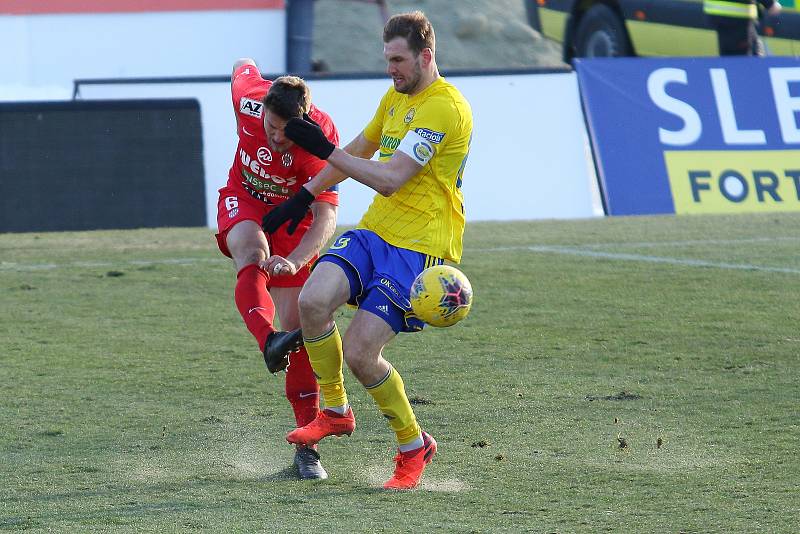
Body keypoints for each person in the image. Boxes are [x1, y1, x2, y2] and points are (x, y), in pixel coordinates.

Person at [261, 11, 473, 490]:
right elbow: (358, 147)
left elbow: (391, 178)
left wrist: (325, 150)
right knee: (313, 302)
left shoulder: (444, 108)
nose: (391, 69)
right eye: (387, 60)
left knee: (361, 351)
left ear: (426, 55)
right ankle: (335, 410)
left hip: (418, 248)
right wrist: (305, 196)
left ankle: (412, 445)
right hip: (377, 232)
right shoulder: (394, 99)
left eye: (398, 60)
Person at [215, 59, 340, 480]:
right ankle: (268, 340)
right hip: (244, 198)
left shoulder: (320, 138)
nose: (274, 137)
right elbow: (240, 67)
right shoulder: (249, 99)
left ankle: (308, 449)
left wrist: (297, 260)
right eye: (270, 126)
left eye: (284, 132)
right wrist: (246, 66)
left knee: (300, 326)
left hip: (295, 219)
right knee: (250, 253)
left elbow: (326, 216)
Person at [704, 0, 782, 55]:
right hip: (736, 16)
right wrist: (769, 3)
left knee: (732, 58)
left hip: (719, 12)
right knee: (743, 61)